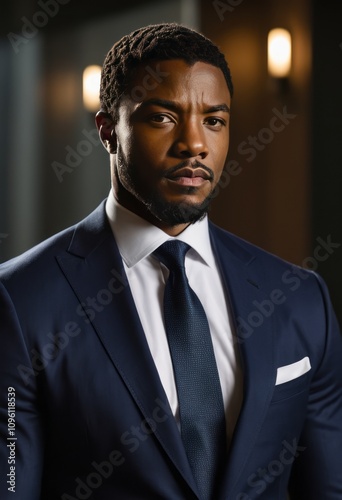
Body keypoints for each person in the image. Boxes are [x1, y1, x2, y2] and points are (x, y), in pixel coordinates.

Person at [0, 22, 341, 500]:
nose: (194, 144)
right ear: (107, 131)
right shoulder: (20, 301)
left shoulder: (301, 299)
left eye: (214, 121)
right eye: (162, 117)